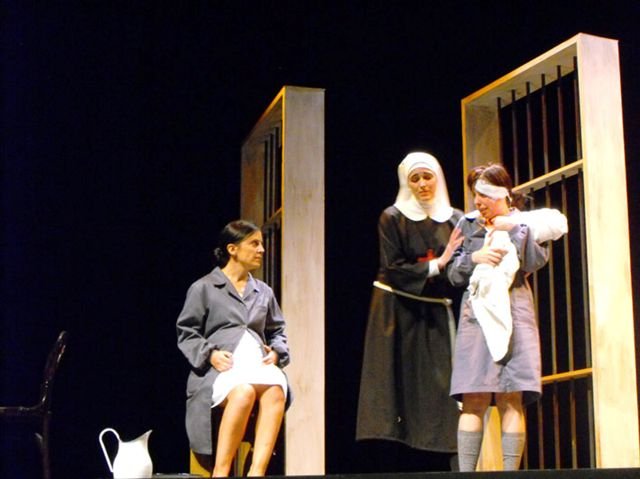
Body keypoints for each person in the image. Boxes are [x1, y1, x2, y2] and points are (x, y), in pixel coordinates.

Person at [356, 151, 464, 471]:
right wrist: (437, 265)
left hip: (436, 312)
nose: (422, 184)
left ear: (438, 178)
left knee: (443, 391)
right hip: (396, 311)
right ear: (406, 182)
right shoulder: (392, 217)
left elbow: (460, 266)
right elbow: (392, 267)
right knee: (393, 391)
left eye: (427, 176)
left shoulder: (456, 219)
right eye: (414, 178)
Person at [448, 163, 551, 471]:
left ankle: (510, 474)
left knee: (511, 396)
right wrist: (473, 258)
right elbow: (453, 273)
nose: (477, 201)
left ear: (501, 193)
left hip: (514, 310)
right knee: (474, 397)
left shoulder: (524, 222)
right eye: (475, 194)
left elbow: (536, 261)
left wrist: (514, 230)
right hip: (476, 314)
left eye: (483, 194)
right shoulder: (467, 224)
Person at [176, 219, 290, 477]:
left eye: (261, 244)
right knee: (243, 392)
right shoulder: (204, 288)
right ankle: (221, 472)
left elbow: (278, 331)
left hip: (257, 365)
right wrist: (210, 354)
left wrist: (276, 352)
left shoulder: (263, 291)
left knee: (275, 390)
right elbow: (187, 332)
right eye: (254, 244)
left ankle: (256, 473)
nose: (261, 249)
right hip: (221, 370)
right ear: (232, 249)